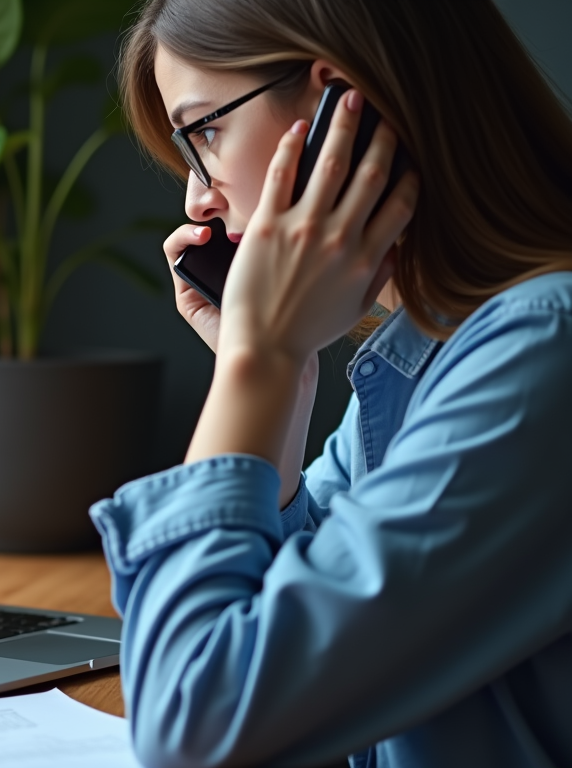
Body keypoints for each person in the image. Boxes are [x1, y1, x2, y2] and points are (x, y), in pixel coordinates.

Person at [89, 1, 572, 766]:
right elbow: (293, 607)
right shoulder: (432, 355)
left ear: (336, 108)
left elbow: (193, 723)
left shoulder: (542, 357)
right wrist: (285, 371)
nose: (196, 201)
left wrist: (261, 359)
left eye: (204, 132)